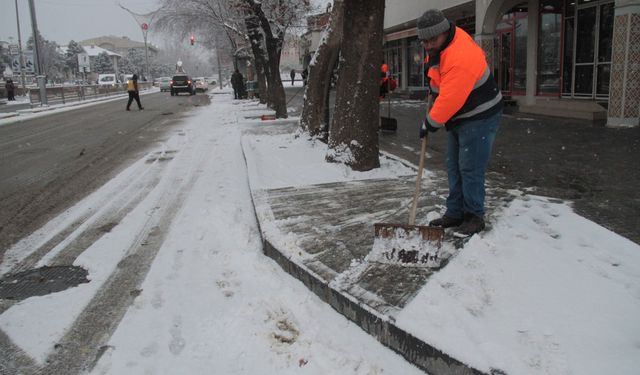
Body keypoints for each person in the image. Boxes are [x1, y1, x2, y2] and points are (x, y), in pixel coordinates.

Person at [417, 9, 503, 236]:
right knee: (454, 165)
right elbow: (439, 79)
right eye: (423, 40)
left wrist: (430, 122)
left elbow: (451, 98)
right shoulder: (440, 46)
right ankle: (455, 212)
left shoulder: (460, 55)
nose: (427, 45)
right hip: (460, 115)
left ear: (444, 32)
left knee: (470, 167)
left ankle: (474, 216)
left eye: (431, 40)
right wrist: (433, 91)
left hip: (480, 114)